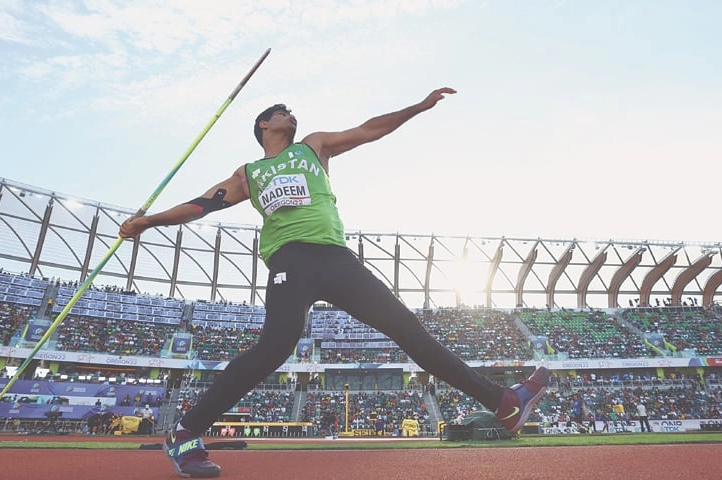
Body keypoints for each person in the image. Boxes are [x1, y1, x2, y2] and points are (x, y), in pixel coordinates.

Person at [119, 88, 550, 478]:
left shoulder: (314, 147)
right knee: (275, 346)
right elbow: (202, 204)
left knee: (408, 330)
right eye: (282, 110)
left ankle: (503, 404)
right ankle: (185, 433)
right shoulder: (250, 173)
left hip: (336, 257)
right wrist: (148, 222)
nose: (292, 112)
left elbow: (368, 131)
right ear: (264, 125)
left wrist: (417, 107)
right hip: (291, 258)